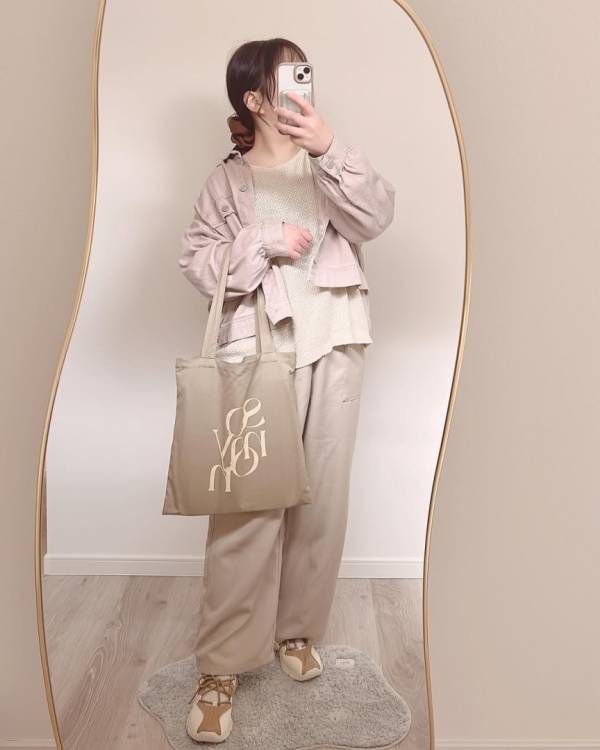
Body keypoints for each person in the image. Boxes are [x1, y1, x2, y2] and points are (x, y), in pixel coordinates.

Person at [180, 37, 395, 743]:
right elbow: (198, 262)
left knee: (321, 503)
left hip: (337, 342)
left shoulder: (328, 163)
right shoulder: (227, 182)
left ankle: (296, 631)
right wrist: (261, 239)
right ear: (254, 98)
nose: (302, 86)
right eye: (286, 77)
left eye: (305, 74)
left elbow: (375, 218)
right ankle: (220, 667)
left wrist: (329, 147)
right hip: (257, 352)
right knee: (248, 509)